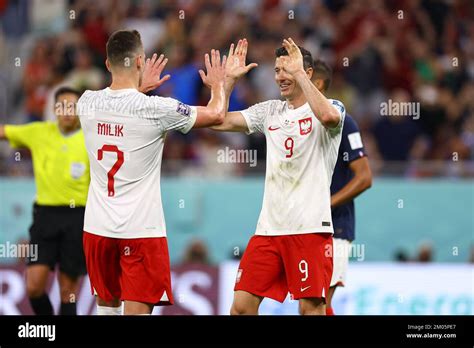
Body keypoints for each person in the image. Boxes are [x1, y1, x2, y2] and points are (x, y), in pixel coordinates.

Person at [77, 29, 229, 315]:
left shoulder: (86, 102)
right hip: (140, 231)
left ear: (108, 64)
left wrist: (137, 89)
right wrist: (220, 84)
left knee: (107, 307)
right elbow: (217, 114)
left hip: (97, 228)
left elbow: (120, 108)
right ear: (140, 62)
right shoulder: (157, 109)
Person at [210, 38, 345, 315]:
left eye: (288, 69)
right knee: (241, 308)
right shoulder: (269, 111)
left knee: (310, 309)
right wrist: (228, 83)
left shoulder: (331, 107)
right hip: (269, 230)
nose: (280, 76)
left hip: (309, 228)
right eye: (277, 70)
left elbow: (329, 117)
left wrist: (298, 73)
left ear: (307, 73)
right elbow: (218, 120)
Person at [0, 87, 89, 315]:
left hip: (78, 217)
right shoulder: (39, 132)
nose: (68, 111)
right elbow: (4, 132)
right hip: (44, 218)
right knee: (34, 287)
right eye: (63, 106)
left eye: (73, 106)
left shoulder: (91, 137)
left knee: (68, 291)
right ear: (54, 109)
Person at [311, 59, 372, 315]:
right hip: (301, 226)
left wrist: (327, 204)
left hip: (335, 227)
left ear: (318, 84)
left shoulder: (344, 122)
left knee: (317, 303)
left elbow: (364, 177)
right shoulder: (294, 123)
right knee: (309, 305)